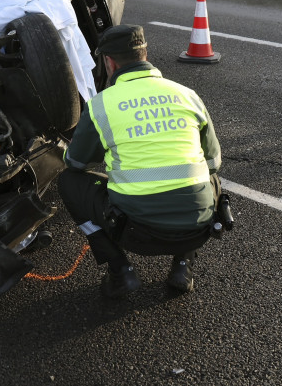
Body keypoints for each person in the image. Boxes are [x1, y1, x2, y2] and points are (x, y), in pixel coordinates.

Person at [58, 24, 224, 298]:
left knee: (69, 182)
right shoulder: (187, 94)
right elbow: (214, 162)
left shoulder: (101, 105)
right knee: (207, 176)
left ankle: (121, 270)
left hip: (134, 232)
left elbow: (75, 164)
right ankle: (183, 266)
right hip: (197, 228)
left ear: (109, 62)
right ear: (145, 53)